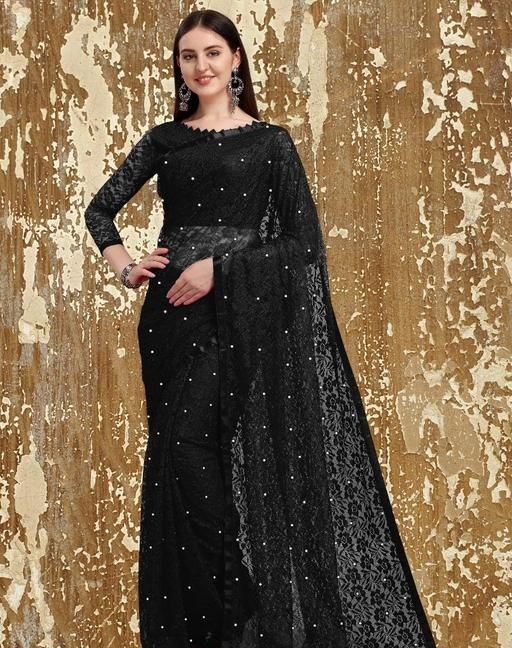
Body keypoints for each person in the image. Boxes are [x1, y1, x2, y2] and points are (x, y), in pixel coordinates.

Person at [84, 8, 438, 648]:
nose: (201, 66)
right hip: (169, 320)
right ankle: (226, 614)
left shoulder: (270, 143)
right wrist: (127, 267)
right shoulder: (165, 140)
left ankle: (244, 599)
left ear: (236, 59)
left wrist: (220, 270)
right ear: (179, 67)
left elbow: (304, 245)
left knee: (213, 453)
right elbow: (100, 209)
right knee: (180, 459)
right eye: (189, 56)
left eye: (212, 53)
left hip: (241, 320)